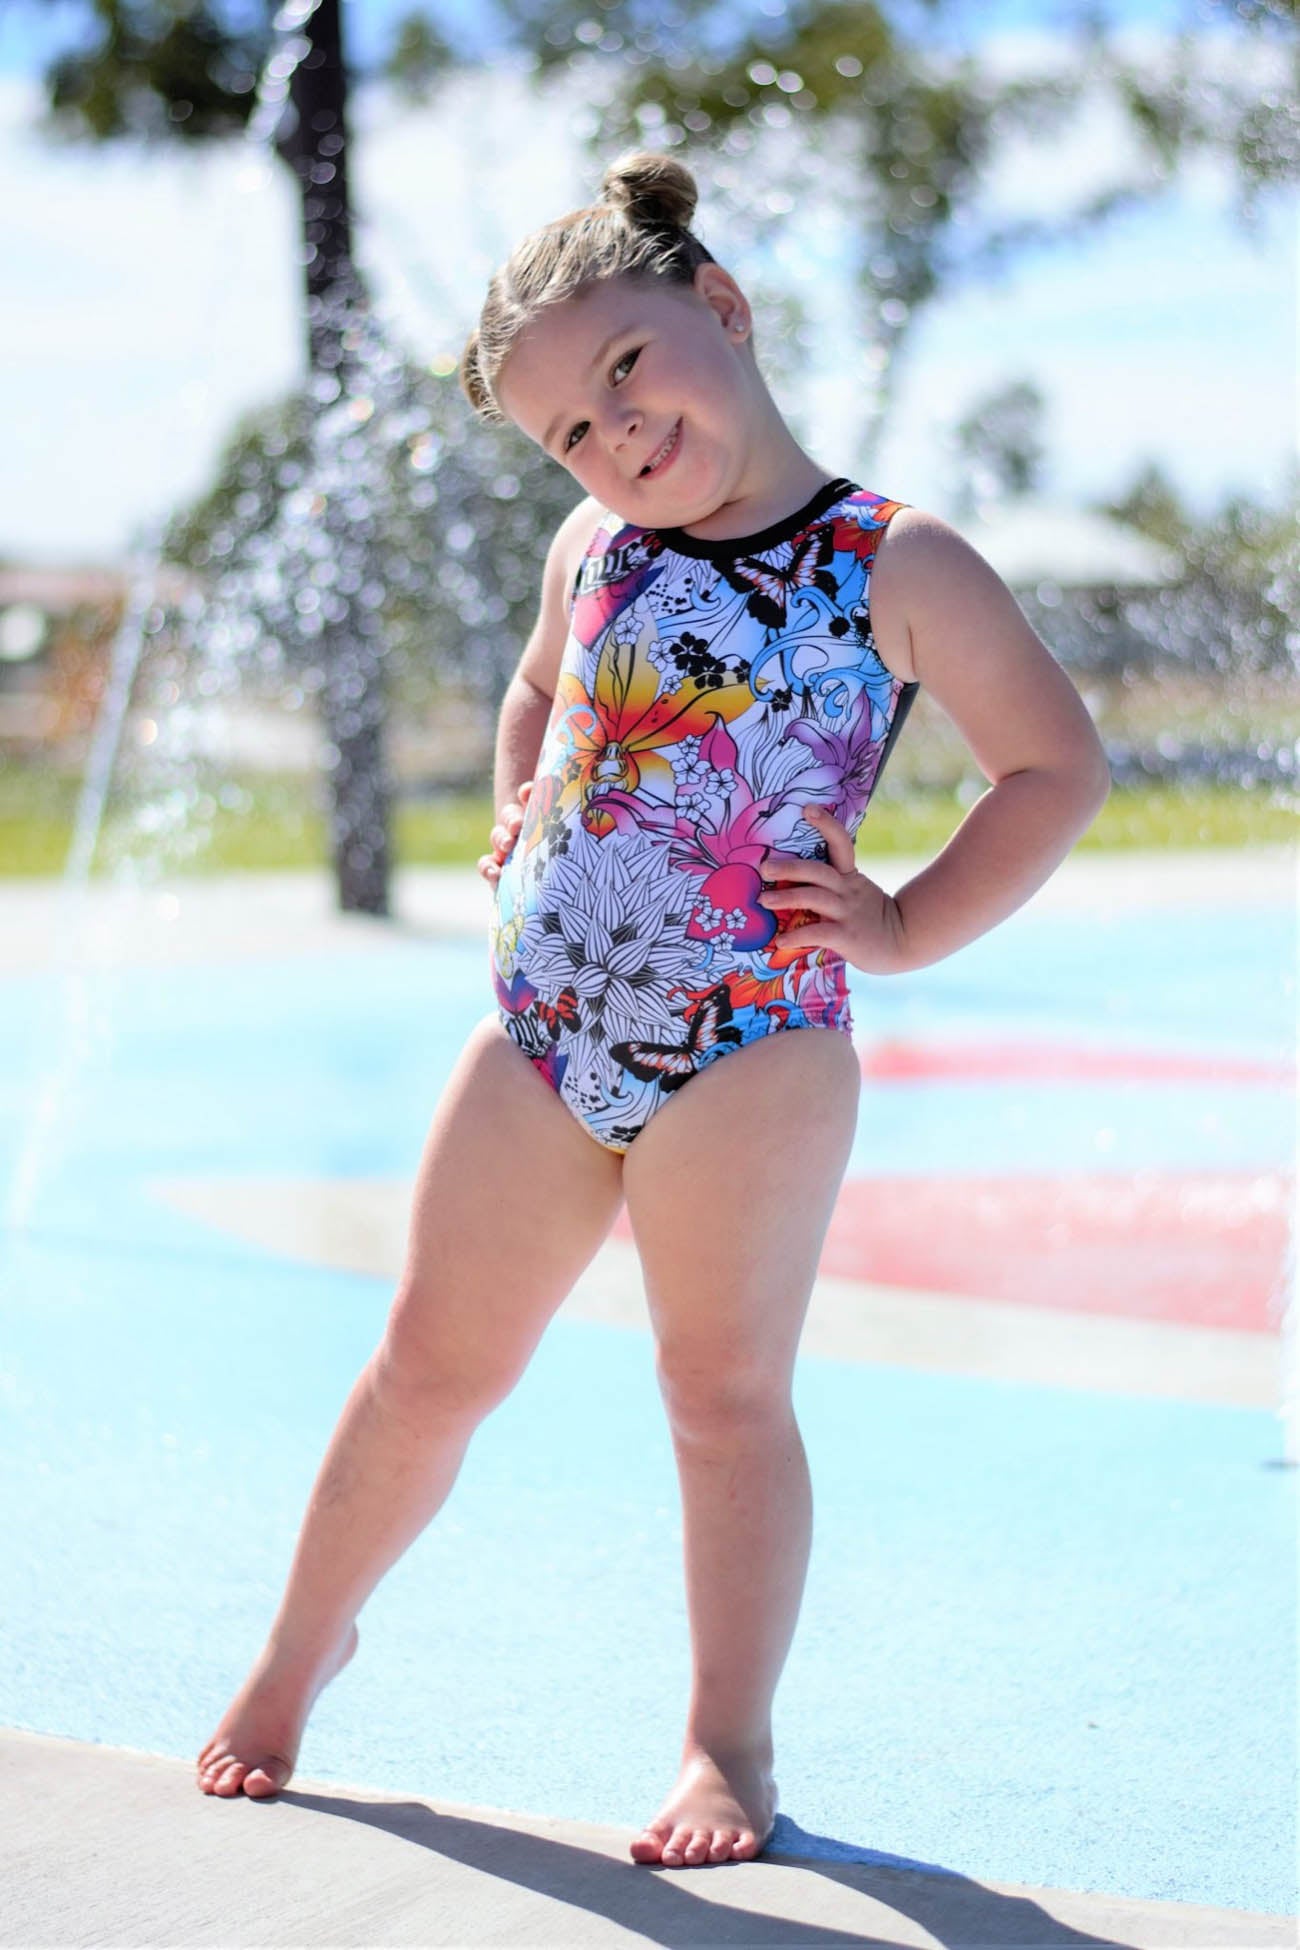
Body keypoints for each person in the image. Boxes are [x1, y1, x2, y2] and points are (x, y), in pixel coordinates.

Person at [196, 149, 1111, 1870]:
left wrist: (904, 923)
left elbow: (1057, 766)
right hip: (544, 1033)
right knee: (427, 1363)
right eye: (570, 428)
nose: (615, 433)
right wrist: (514, 804)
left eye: (628, 368)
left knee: (721, 1394)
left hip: (754, 1046)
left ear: (723, 309)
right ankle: (300, 1645)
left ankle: (724, 1741)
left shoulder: (894, 559)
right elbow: (537, 685)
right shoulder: (592, 545)